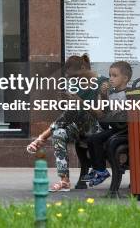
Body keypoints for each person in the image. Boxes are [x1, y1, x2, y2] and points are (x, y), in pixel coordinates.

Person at [25, 54, 109, 192]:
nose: (73, 80)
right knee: (58, 133)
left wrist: (80, 103)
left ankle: (42, 137)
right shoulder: (77, 85)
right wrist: (67, 102)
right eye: (71, 78)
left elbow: (101, 114)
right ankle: (64, 180)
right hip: (79, 125)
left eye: (74, 76)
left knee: (76, 110)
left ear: (83, 68)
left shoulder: (103, 83)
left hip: (98, 128)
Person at [82, 61, 132, 187]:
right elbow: (106, 111)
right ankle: (98, 169)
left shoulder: (129, 94)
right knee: (91, 139)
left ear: (125, 78)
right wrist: (103, 96)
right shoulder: (113, 93)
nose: (111, 79)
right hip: (115, 128)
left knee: (96, 139)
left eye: (115, 76)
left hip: (124, 130)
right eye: (110, 75)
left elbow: (119, 114)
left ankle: (101, 171)